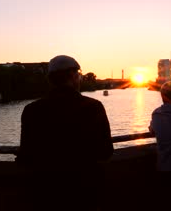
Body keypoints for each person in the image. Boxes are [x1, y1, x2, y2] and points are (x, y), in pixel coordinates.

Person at [17, 55, 114, 210]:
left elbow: (26, 155)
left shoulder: (32, 110)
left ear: (50, 80)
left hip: (45, 192)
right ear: (74, 76)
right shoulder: (93, 107)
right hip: (86, 190)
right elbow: (106, 151)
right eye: (79, 75)